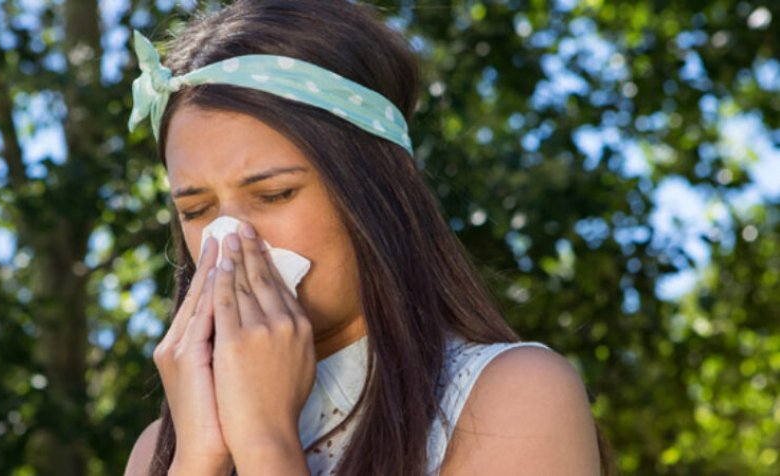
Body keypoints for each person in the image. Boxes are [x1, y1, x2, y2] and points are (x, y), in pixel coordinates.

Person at [123, 1, 615, 475]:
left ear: (374, 191)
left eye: (274, 194)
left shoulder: (513, 398)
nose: (231, 240)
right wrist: (198, 462)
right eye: (197, 209)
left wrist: (264, 442)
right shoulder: (160, 451)